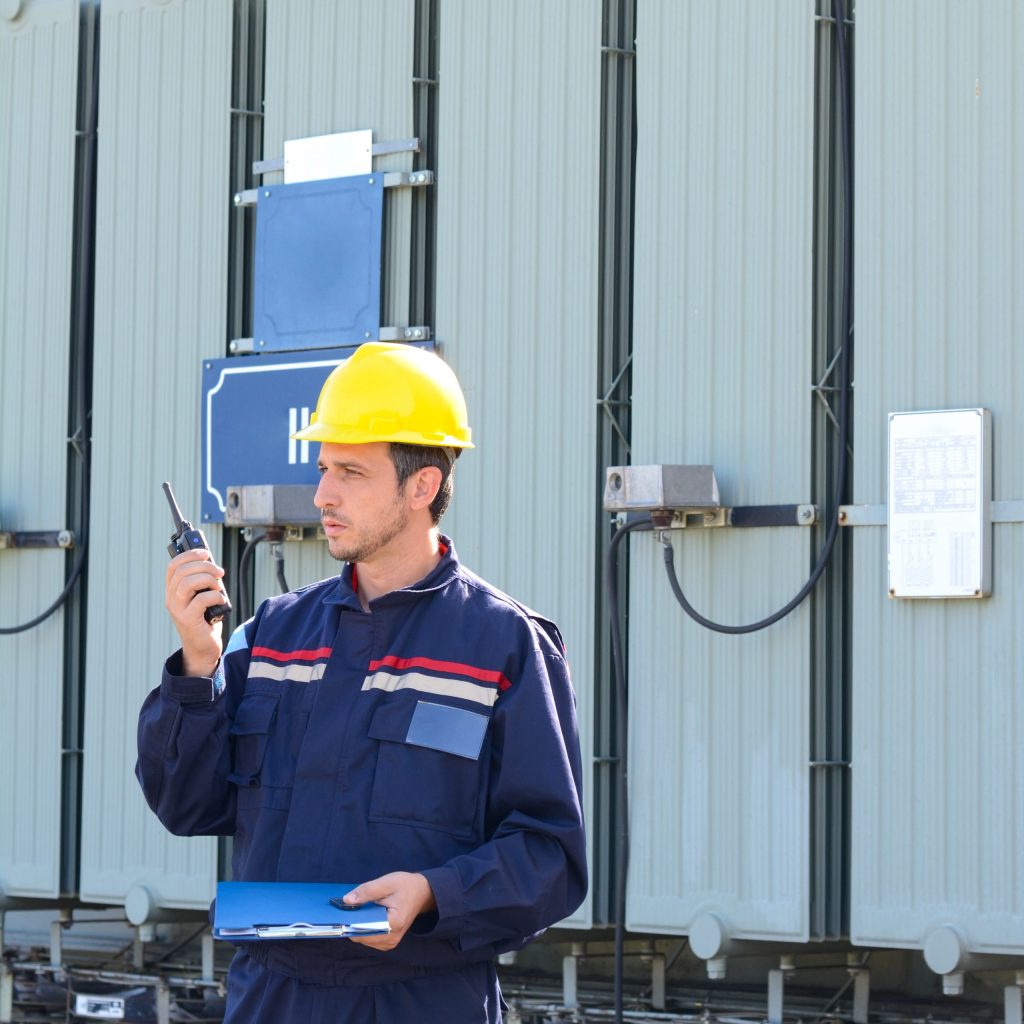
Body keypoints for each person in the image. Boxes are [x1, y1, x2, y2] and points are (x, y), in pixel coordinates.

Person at [136, 342, 587, 1023]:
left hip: (423, 1002)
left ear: (422, 486)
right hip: (272, 1000)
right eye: (323, 468)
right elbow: (185, 805)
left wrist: (434, 893)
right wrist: (198, 664)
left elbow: (551, 858)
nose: (323, 494)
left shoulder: (505, 647)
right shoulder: (272, 636)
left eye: (350, 472)